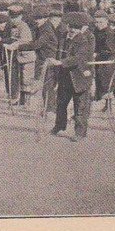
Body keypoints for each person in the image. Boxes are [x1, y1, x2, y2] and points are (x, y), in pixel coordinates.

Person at [50, 12, 94, 142]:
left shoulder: (84, 40)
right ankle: (59, 125)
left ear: (81, 29)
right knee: (61, 103)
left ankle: (80, 133)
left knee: (80, 106)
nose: (72, 29)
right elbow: (58, 53)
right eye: (70, 26)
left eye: (76, 27)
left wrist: (62, 62)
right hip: (64, 77)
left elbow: (79, 57)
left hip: (79, 77)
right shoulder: (63, 38)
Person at [12, 4, 59, 111]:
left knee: (47, 85)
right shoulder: (42, 27)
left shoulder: (46, 29)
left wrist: (19, 46)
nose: (37, 20)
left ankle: (50, 109)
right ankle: (49, 108)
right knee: (44, 84)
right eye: (35, 18)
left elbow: (37, 44)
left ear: (46, 18)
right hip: (43, 58)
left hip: (48, 59)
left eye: (39, 18)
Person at [92, 9, 115, 104]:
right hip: (100, 56)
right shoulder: (95, 31)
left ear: (106, 21)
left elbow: (109, 50)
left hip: (110, 56)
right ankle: (99, 94)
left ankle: (113, 94)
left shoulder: (109, 32)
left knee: (106, 72)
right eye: (96, 22)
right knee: (97, 72)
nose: (98, 24)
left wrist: (97, 54)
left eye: (101, 22)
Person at [8, 3, 35, 106]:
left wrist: (15, 44)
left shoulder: (23, 26)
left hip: (27, 56)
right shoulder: (14, 26)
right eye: (12, 17)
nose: (13, 19)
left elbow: (25, 40)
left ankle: (27, 102)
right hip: (19, 56)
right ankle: (22, 100)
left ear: (21, 16)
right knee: (20, 78)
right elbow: (13, 38)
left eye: (16, 17)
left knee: (26, 79)